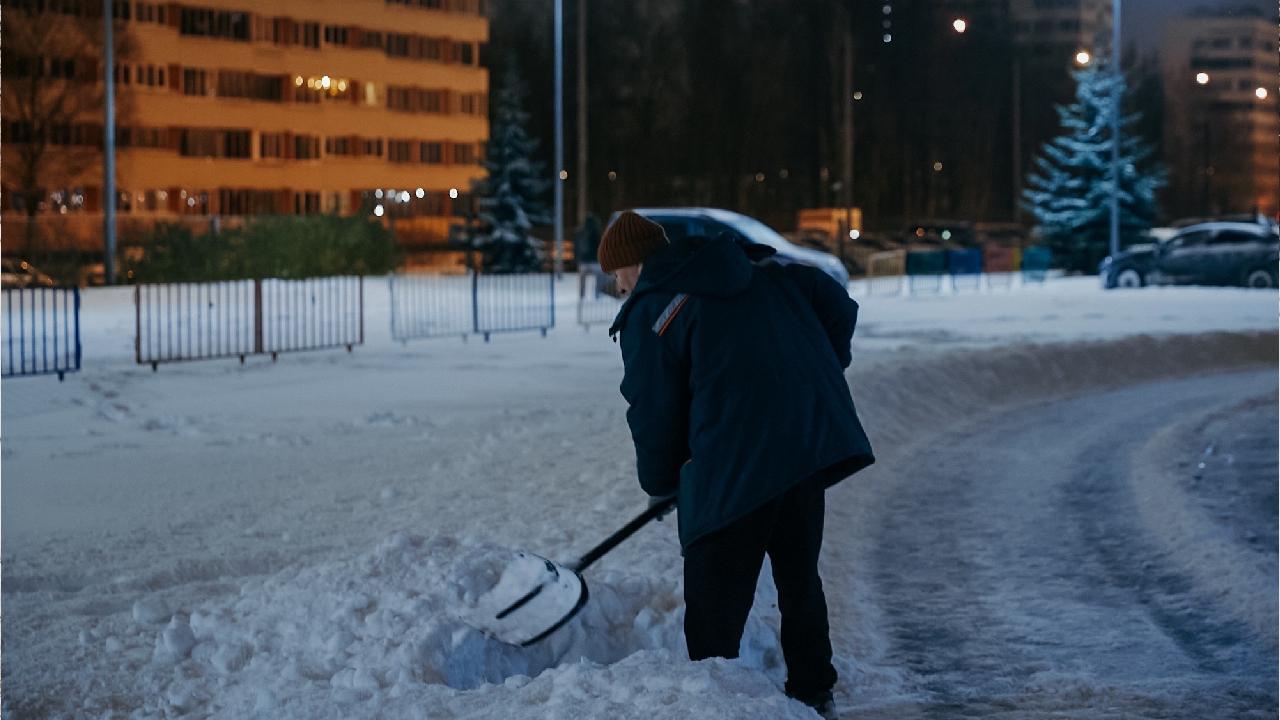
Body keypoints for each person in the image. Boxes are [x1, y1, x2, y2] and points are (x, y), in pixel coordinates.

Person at [599, 210, 875, 717]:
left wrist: (661, 483)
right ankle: (815, 690)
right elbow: (836, 303)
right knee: (798, 579)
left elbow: (653, 409)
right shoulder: (755, 270)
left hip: (734, 466)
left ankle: (714, 702)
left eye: (616, 273)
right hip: (801, 448)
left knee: (714, 603)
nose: (617, 286)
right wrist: (812, 369)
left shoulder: (656, 307)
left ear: (635, 265)